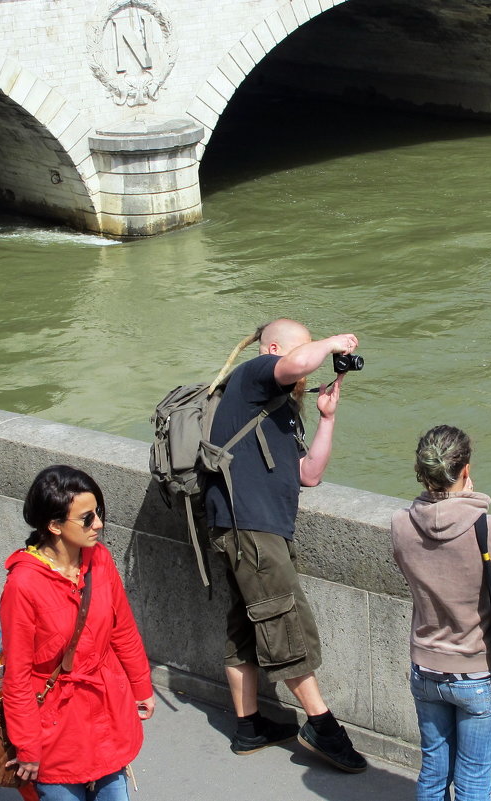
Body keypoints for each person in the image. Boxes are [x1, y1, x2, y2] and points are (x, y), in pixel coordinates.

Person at [204, 318, 367, 773]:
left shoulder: (279, 406)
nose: (305, 372)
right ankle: (321, 725)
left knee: (247, 625)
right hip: (250, 528)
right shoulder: (253, 374)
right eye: (303, 353)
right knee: (284, 619)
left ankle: (248, 726)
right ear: (272, 349)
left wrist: (327, 419)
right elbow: (295, 362)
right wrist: (333, 341)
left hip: (254, 528)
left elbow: (308, 474)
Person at [2, 465, 154, 801]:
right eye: (87, 518)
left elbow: (123, 629)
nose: (98, 524)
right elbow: (17, 675)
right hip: (57, 728)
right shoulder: (23, 586)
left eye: (98, 513)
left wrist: (141, 685)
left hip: (106, 710)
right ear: (54, 525)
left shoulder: (99, 558)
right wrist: (27, 745)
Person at [390, 425, 491, 801]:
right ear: (466, 470)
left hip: (425, 669)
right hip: (476, 672)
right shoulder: (484, 526)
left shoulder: (401, 524)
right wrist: (473, 500)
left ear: (422, 472)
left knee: (433, 771)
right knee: (473, 782)